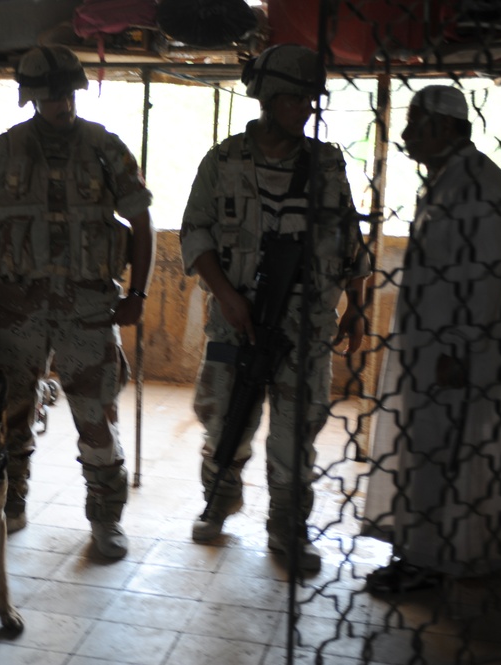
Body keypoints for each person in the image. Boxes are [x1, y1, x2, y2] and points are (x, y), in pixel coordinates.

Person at [179, 43, 368, 572]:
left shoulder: (326, 165)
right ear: (267, 97)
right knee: (225, 423)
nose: (304, 109)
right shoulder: (223, 162)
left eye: (309, 100)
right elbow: (195, 235)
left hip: (306, 326)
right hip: (236, 323)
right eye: (293, 99)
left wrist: (356, 306)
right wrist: (228, 295)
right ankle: (218, 502)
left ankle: (288, 527)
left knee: (295, 434)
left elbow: (349, 241)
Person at [0, 45, 156, 559]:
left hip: (87, 308)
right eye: (50, 95)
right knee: (8, 414)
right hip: (14, 307)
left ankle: (106, 520)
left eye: (68, 93)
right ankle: (9, 506)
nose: (61, 104)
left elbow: (141, 223)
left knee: (96, 418)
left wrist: (138, 293)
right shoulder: (3, 152)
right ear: (30, 97)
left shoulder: (105, 148)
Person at [362, 85, 501, 593]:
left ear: (447, 128)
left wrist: (455, 348)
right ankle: (429, 553)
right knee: (430, 452)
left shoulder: (478, 186)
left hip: (455, 353)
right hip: (435, 348)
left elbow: (486, 276)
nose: (406, 134)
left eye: (417, 123)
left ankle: (425, 564)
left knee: (437, 455)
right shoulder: (449, 180)